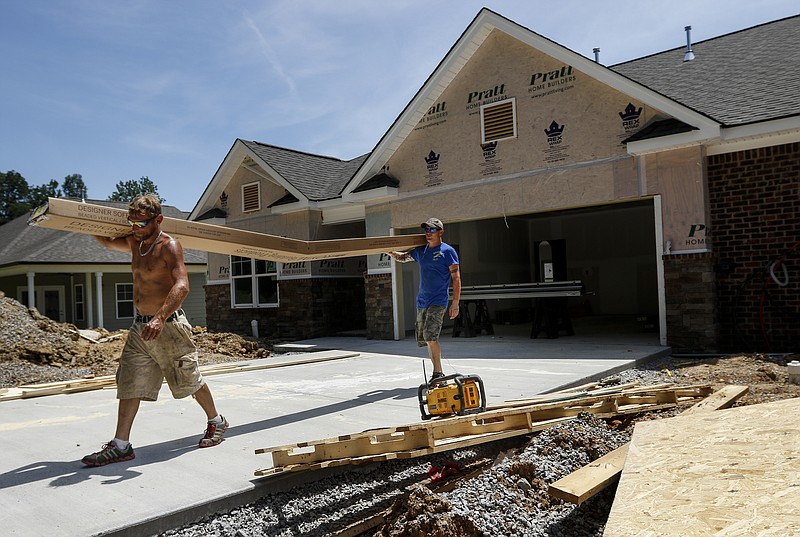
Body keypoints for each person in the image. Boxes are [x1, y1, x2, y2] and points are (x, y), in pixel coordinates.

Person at [82, 194, 228, 467]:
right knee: (129, 382)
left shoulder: (169, 246)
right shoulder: (134, 243)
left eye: (141, 223)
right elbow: (106, 241)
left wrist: (160, 317)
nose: (135, 228)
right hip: (140, 326)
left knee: (189, 379)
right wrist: (82, 222)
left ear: (158, 220)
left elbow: (182, 286)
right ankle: (121, 445)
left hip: (168, 326)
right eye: (132, 223)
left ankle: (217, 421)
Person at [388, 217, 461, 383]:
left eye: (432, 229)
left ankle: (438, 373)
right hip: (422, 301)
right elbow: (404, 257)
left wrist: (455, 302)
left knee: (430, 336)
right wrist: (389, 251)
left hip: (438, 301)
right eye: (426, 230)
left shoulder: (447, 251)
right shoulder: (422, 251)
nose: (428, 233)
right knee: (426, 340)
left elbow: (456, 278)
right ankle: (436, 372)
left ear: (440, 232)